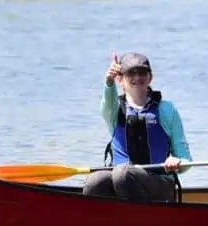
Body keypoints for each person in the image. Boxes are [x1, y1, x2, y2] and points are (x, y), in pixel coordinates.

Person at [82, 52, 192, 203]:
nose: (137, 77)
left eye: (142, 73)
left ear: (150, 78)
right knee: (95, 181)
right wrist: (109, 81)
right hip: (122, 179)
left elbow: (186, 160)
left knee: (123, 174)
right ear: (120, 79)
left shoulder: (166, 110)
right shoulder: (114, 111)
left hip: (160, 183)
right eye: (131, 73)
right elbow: (107, 103)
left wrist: (176, 163)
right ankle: (102, 222)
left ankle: (147, 221)